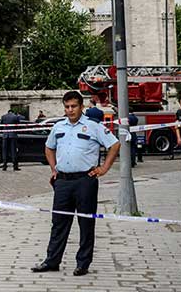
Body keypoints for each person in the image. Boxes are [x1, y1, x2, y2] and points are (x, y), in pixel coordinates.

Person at [32, 90, 120, 277]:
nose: (70, 110)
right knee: (58, 223)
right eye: (67, 107)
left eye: (73, 106)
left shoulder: (93, 126)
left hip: (84, 181)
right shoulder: (59, 126)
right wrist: (54, 169)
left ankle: (83, 263)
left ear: (81, 107)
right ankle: (52, 261)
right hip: (63, 181)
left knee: (85, 223)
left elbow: (114, 145)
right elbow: (49, 147)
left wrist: (103, 169)